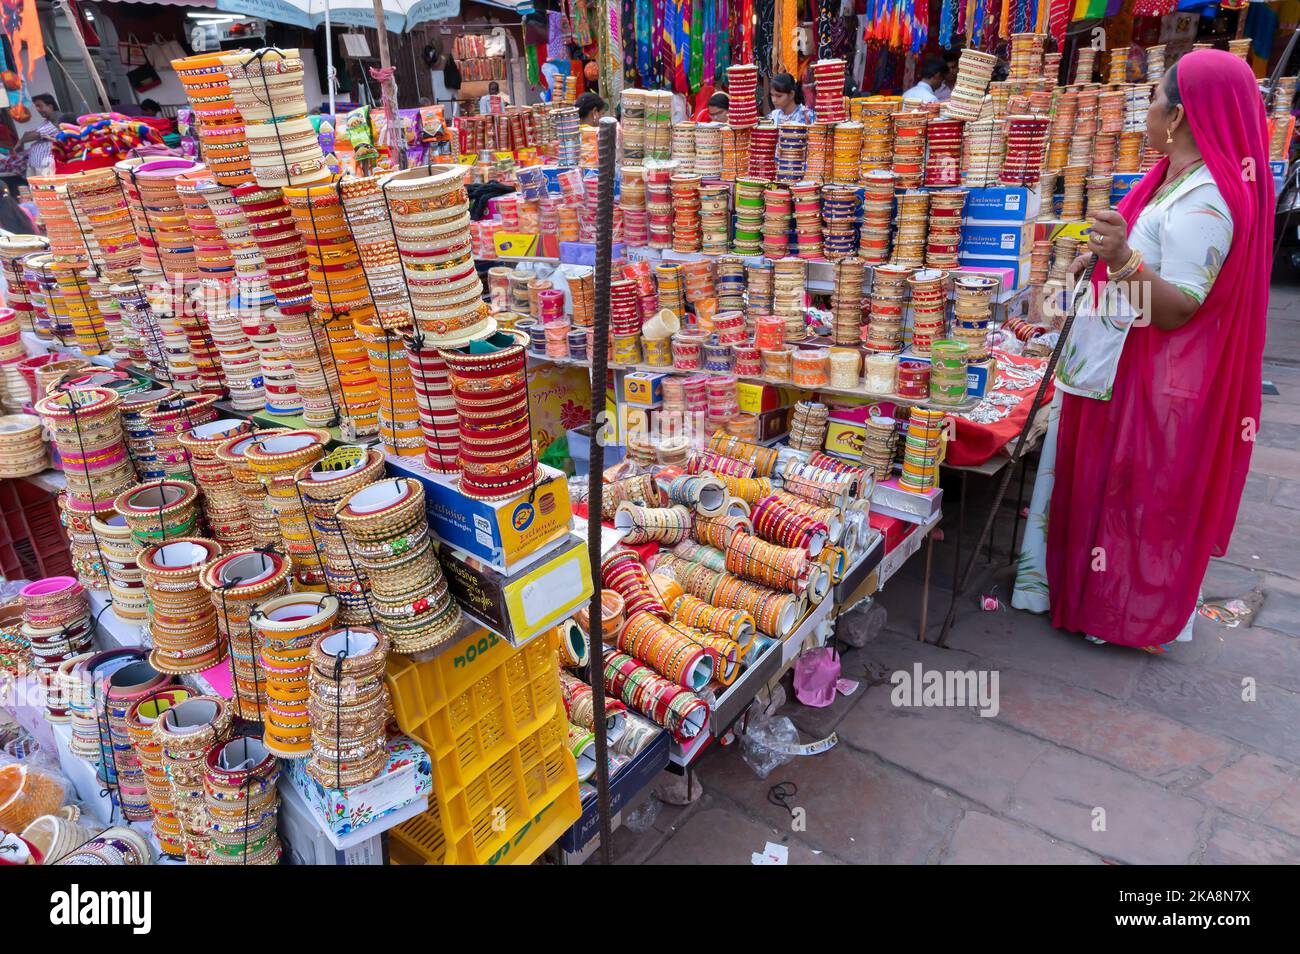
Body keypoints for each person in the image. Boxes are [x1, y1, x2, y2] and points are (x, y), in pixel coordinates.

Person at [1012, 50, 1271, 652]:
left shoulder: (1207, 203)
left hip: (1150, 377)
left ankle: (1117, 609)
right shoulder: (1172, 180)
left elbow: (1180, 306)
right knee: (1098, 486)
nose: (1144, 112)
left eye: (1153, 99)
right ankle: (1074, 588)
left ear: (1178, 117)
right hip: (1115, 364)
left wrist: (1121, 261)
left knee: (1131, 492)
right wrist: (1101, 261)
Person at [19, 94, 70, 177]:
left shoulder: (60, 119)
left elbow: (31, 136)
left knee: (48, 189)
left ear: (50, 106)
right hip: (37, 165)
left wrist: (22, 140)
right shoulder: (46, 122)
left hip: (46, 166)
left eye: (39, 106)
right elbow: (26, 135)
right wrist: (24, 138)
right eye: (36, 107)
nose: (37, 109)